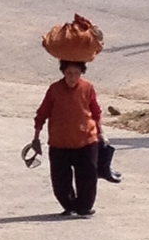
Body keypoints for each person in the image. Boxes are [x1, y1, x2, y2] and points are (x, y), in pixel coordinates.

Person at [31, 60, 103, 217]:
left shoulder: (88, 88)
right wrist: (36, 136)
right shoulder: (54, 90)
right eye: (69, 73)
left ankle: (85, 207)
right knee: (60, 180)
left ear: (81, 74)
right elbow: (42, 113)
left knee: (88, 176)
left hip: (86, 140)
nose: (72, 77)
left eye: (76, 73)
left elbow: (96, 111)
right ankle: (69, 205)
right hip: (59, 142)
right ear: (63, 72)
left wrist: (100, 133)